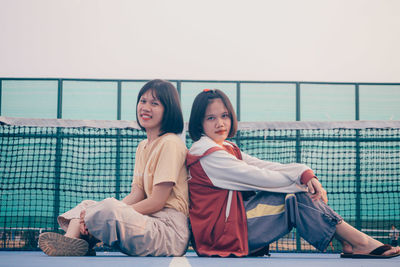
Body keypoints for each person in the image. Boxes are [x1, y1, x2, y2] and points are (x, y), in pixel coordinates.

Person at [186, 88, 400, 259]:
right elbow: (261, 179)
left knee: (296, 194)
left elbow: (266, 166)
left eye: (224, 115)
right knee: (295, 198)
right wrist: (302, 184)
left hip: (232, 225)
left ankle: (350, 241)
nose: (220, 123)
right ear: (199, 123)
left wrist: (305, 173)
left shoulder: (228, 148)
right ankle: (359, 241)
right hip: (220, 236)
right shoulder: (207, 154)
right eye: (211, 118)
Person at [39, 79, 189, 256]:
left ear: (168, 110)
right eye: (143, 101)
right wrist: (98, 214)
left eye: (154, 103)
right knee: (89, 205)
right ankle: (76, 241)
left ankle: (78, 236)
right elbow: (137, 194)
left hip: (168, 231)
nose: (146, 107)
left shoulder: (170, 143)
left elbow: (157, 202)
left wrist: (107, 214)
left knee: (107, 208)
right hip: (147, 221)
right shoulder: (143, 146)